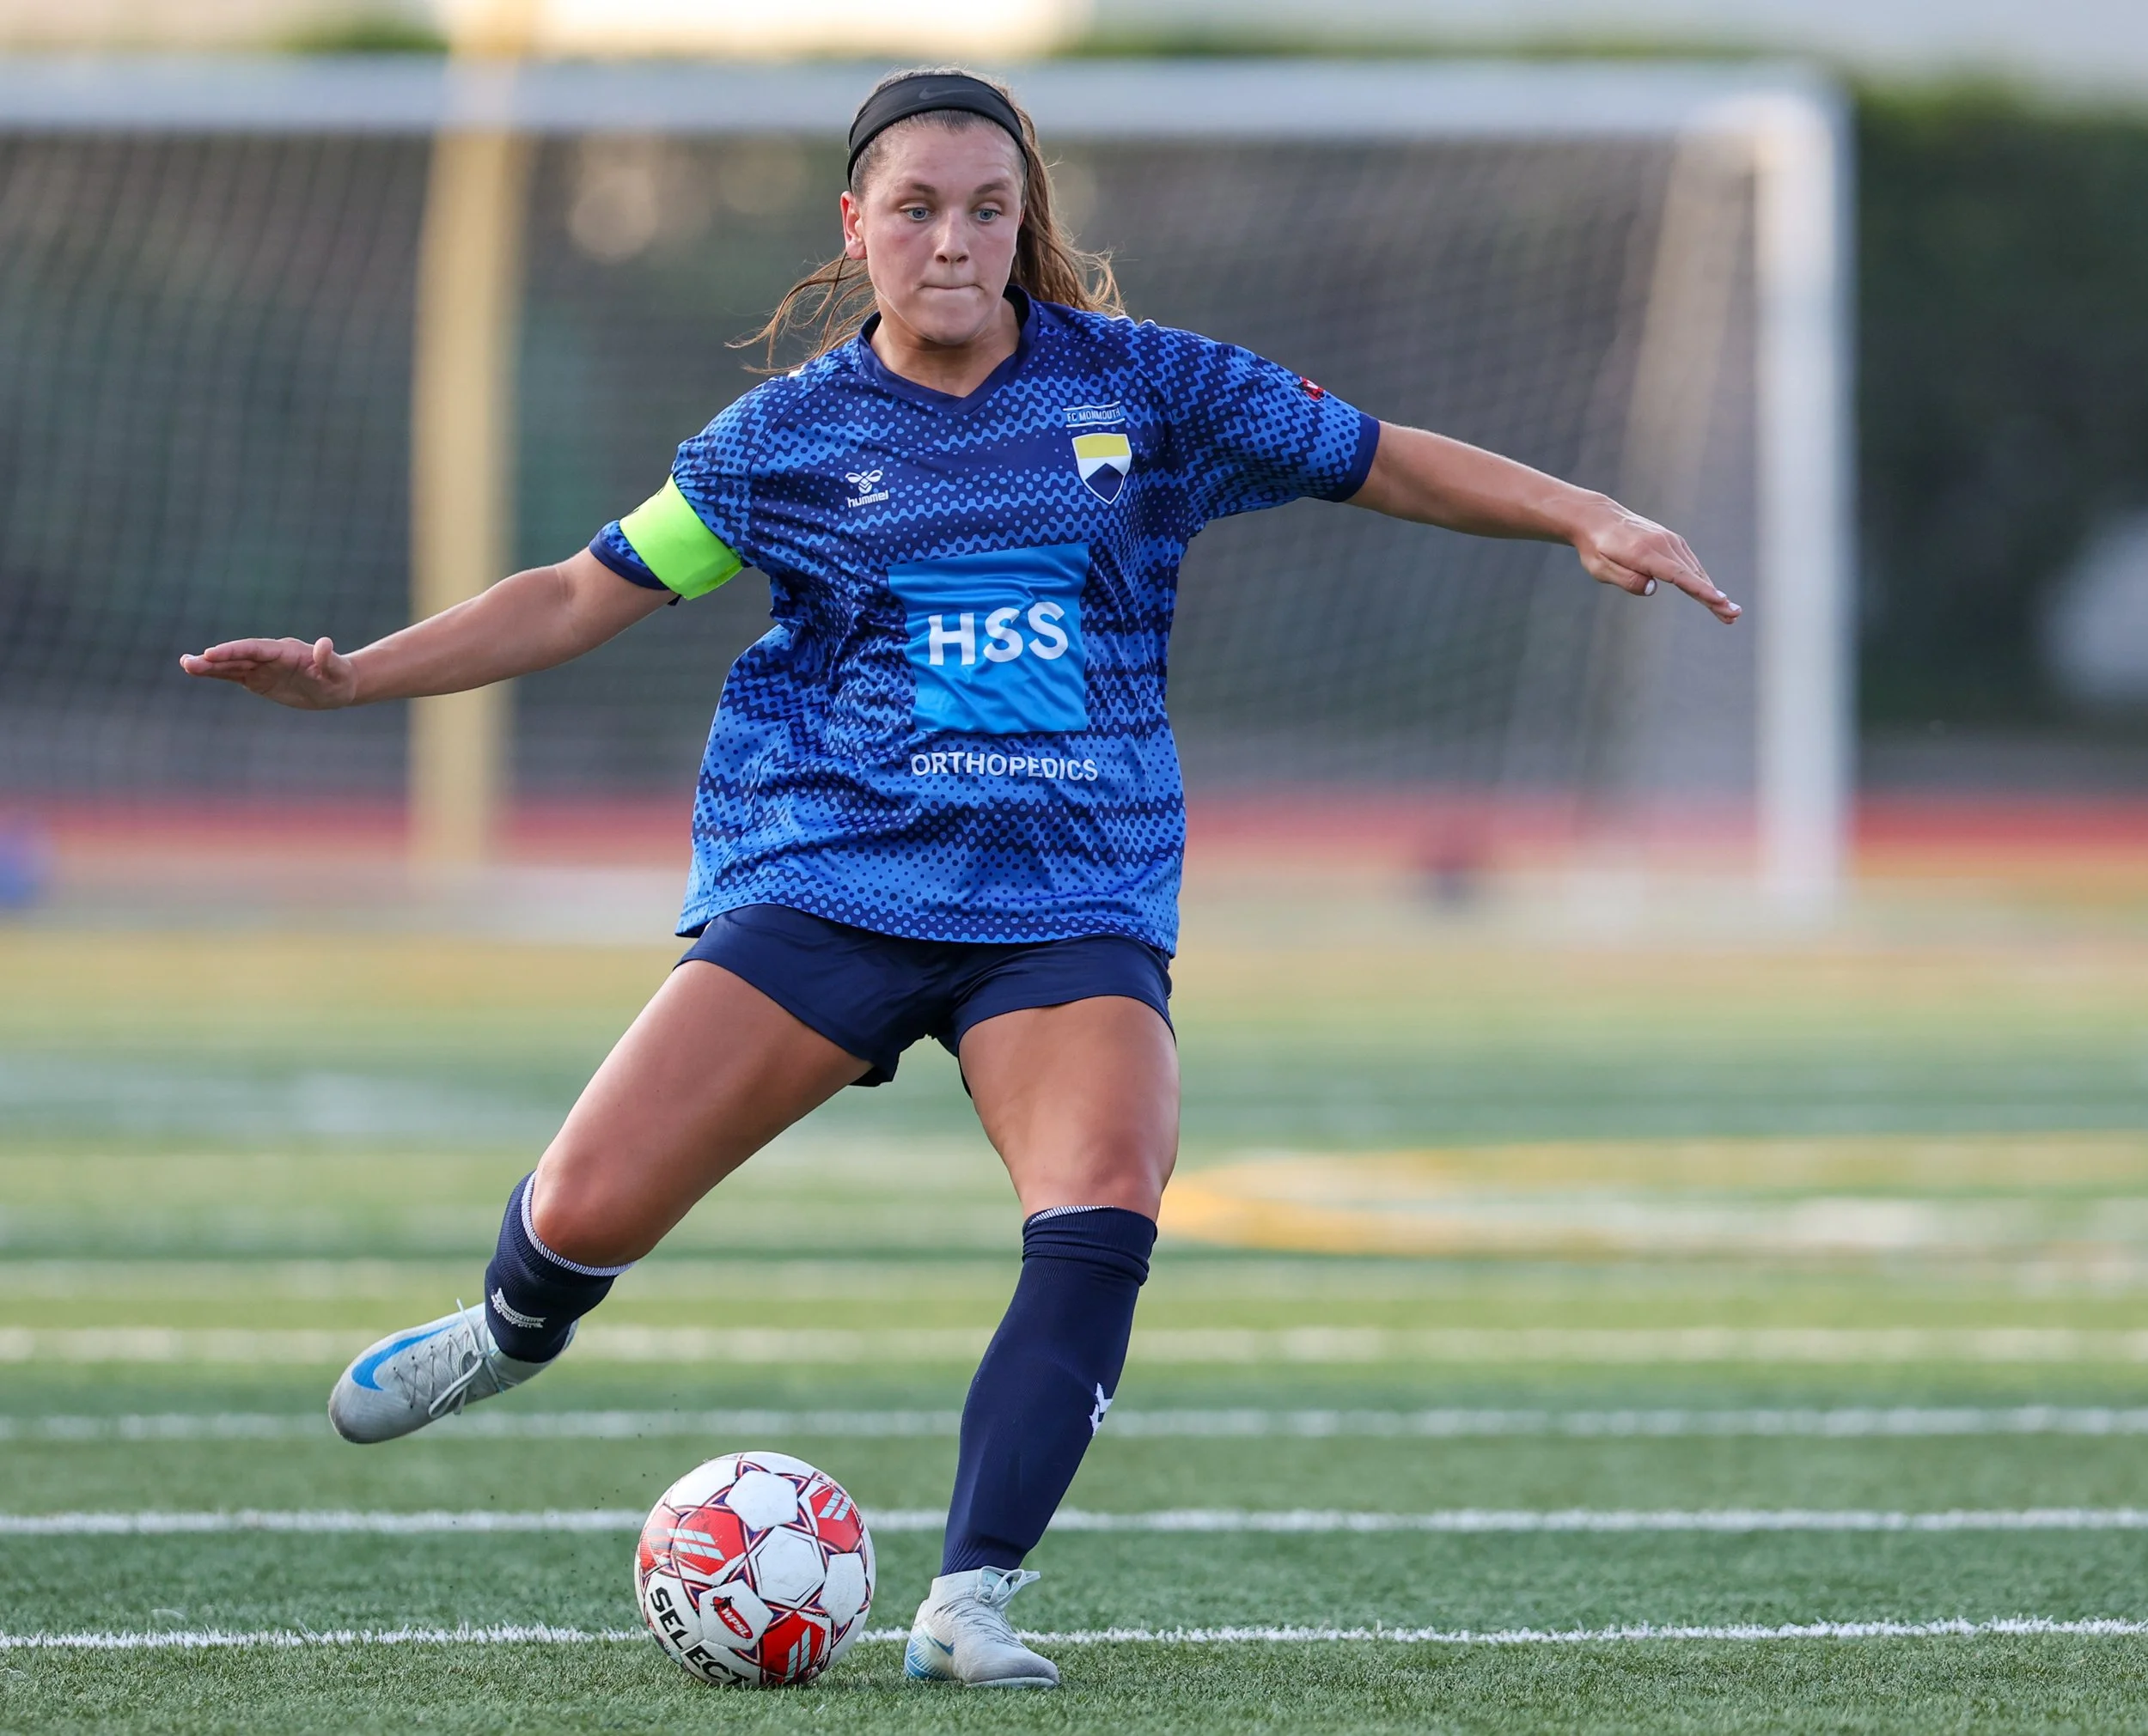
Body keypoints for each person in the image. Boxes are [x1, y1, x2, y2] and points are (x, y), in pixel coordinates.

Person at [180, 65, 1740, 1690]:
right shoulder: (785, 439)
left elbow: (1378, 457)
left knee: (1106, 1194)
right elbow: (585, 591)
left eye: (988, 210)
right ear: (855, 227)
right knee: (582, 1211)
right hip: (834, 878)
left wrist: (1588, 516)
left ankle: (971, 1596)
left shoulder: (1147, 388)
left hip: (1070, 900)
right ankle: (507, 1332)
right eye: (917, 208)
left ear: (1022, 223)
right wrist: (356, 680)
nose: (953, 240)